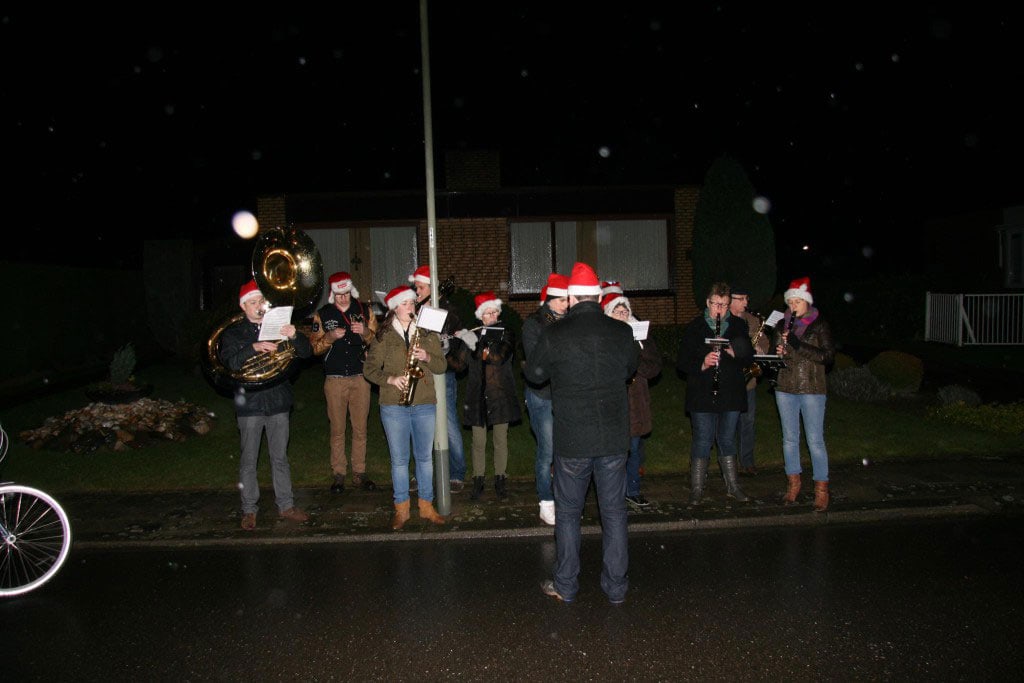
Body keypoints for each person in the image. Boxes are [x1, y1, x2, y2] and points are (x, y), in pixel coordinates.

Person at [526, 262, 639, 605]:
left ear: (572, 297)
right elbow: (630, 368)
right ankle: (616, 587)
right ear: (599, 297)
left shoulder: (555, 333)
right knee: (614, 513)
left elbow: (535, 374)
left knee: (569, 514)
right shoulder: (620, 332)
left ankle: (567, 584)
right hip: (613, 438)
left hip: (573, 438)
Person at [219, 279, 311, 531]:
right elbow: (229, 363)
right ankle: (249, 509)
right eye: (253, 302)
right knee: (249, 460)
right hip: (250, 404)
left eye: (261, 301)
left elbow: (306, 352)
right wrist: (253, 347)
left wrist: (294, 335)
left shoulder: (278, 327)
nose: (259, 305)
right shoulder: (234, 334)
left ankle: (286, 506)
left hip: (278, 401)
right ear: (243, 306)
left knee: (280, 457)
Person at [363, 285, 448, 530]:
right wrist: (390, 379)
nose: (410, 307)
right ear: (394, 308)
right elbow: (369, 369)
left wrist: (427, 357)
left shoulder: (426, 331)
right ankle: (401, 509)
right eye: (405, 304)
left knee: (424, 458)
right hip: (393, 405)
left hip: (424, 402)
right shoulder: (384, 335)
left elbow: (441, 366)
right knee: (399, 460)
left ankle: (426, 506)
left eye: (412, 303)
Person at [677, 282, 753, 505]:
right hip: (702, 393)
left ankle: (733, 486)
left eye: (724, 305)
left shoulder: (738, 325)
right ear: (707, 302)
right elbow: (682, 362)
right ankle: (697, 488)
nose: (719, 309)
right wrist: (702, 363)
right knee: (702, 439)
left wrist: (734, 352)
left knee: (727, 439)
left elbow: (748, 356)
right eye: (716, 304)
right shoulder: (695, 327)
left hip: (730, 392)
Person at [310, 272, 379, 494]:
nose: (343, 297)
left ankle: (359, 472)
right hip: (335, 380)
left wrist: (365, 332)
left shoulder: (364, 310)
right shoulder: (323, 314)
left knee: (360, 428)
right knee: (337, 429)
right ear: (333, 294)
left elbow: (377, 341)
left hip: (360, 378)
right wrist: (329, 338)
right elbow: (314, 347)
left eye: (346, 293)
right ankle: (339, 473)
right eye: (339, 294)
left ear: (351, 291)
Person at [774, 277, 836, 512]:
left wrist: (798, 345)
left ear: (807, 302)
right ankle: (793, 484)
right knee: (789, 439)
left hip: (811, 388)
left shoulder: (819, 325)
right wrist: (779, 351)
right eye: (790, 302)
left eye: (798, 302)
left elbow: (827, 356)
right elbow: (776, 354)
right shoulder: (782, 324)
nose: (793, 306)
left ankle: (821, 490)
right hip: (785, 387)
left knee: (815, 440)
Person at [455, 292, 522, 501]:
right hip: (477, 395)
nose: (492, 316)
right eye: (487, 313)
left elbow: (496, 357)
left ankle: (500, 479)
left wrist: (475, 344)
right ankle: (478, 479)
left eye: (494, 312)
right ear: (480, 316)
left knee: (500, 439)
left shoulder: (506, 333)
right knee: (478, 441)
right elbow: (459, 366)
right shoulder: (474, 334)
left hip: (499, 394)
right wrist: (449, 348)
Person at [410, 265, 468, 492]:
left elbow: (452, 342)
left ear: (431, 287)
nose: (416, 291)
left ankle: (457, 473)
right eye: (416, 287)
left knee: (448, 423)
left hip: (443, 373)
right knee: (420, 424)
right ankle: (421, 474)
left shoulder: (448, 310)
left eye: (420, 287)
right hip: (420, 372)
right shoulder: (415, 308)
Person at [603, 291, 662, 509]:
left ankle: (633, 490)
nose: (622, 315)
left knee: (634, 448)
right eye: (617, 311)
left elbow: (654, 365)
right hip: (612, 399)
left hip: (635, 400)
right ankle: (613, 492)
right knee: (613, 452)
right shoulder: (604, 336)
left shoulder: (640, 335)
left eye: (624, 311)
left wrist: (635, 362)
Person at [521, 272, 569, 525]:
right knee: (547, 450)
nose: (566, 304)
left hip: (566, 394)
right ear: (549, 300)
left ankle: (564, 497)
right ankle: (546, 501)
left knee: (566, 449)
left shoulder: (569, 321)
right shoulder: (534, 324)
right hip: (542, 395)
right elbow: (537, 362)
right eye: (561, 300)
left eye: (567, 299)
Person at [729, 285, 771, 476]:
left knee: (748, 421)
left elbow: (764, 342)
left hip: (748, 381)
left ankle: (747, 461)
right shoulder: (723, 319)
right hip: (729, 378)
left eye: (747, 298)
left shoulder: (753, 320)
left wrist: (761, 349)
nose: (746, 302)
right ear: (731, 300)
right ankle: (729, 463)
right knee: (729, 423)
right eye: (742, 299)